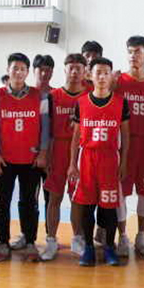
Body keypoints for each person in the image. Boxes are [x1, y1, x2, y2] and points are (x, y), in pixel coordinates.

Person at [0, 53, 49, 261]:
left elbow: (46, 126)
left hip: (31, 160)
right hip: (5, 159)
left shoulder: (39, 95)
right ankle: (3, 243)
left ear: (28, 72)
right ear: (8, 70)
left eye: (23, 69)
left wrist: (43, 152)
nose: (18, 72)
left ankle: (30, 242)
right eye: (15, 68)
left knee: (29, 202)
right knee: (2, 203)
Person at [68, 57, 129, 266]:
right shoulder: (81, 103)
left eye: (106, 73)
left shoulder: (121, 102)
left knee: (109, 206)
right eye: (98, 73)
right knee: (87, 205)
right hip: (87, 158)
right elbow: (75, 137)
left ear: (112, 76)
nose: (102, 77)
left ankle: (109, 247)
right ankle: (88, 248)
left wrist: (124, 162)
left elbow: (126, 136)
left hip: (110, 158)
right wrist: (72, 163)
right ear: (90, 76)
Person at [114, 36, 144, 256]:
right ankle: (122, 236)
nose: (134, 56)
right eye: (130, 51)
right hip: (124, 145)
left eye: (138, 51)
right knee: (121, 192)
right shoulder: (118, 81)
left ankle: (141, 235)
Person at [41, 54, 90, 260]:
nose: (75, 72)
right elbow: (46, 129)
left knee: (77, 198)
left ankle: (77, 238)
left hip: (80, 151)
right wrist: (46, 154)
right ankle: (51, 240)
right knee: (54, 197)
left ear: (85, 71)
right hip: (58, 150)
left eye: (79, 68)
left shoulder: (89, 95)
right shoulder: (53, 96)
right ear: (65, 70)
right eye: (71, 67)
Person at [9, 54, 55, 251]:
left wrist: (49, 153)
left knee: (51, 198)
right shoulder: (27, 95)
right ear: (33, 71)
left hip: (53, 155)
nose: (44, 73)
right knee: (28, 198)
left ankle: (51, 237)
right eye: (40, 69)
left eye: (48, 70)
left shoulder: (56, 94)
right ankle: (27, 235)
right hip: (31, 157)